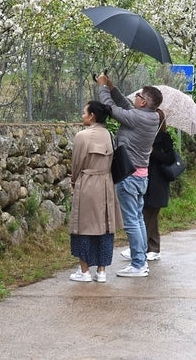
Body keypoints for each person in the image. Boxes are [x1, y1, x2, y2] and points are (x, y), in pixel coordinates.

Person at [96, 73, 162, 278]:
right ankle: (140, 260)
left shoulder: (137, 117)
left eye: (138, 95)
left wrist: (102, 88)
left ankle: (138, 264)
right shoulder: (150, 116)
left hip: (129, 176)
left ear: (143, 102)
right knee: (139, 220)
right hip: (141, 175)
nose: (135, 97)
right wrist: (112, 87)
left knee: (132, 221)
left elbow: (110, 108)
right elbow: (125, 105)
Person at [68, 100, 122, 283]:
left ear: (92, 116)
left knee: (83, 227)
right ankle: (102, 271)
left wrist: (75, 181)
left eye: (84, 112)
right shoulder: (108, 134)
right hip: (106, 183)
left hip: (87, 183)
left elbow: (77, 164)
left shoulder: (82, 136)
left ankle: (84, 271)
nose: (82, 115)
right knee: (105, 227)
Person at [142, 112, 176, 261]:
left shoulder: (165, 138)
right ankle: (145, 246)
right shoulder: (144, 135)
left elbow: (170, 159)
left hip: (158, 181)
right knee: (144, 213)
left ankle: (152, 248)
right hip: (144, 178)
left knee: (150, 213)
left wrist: (153, 152)